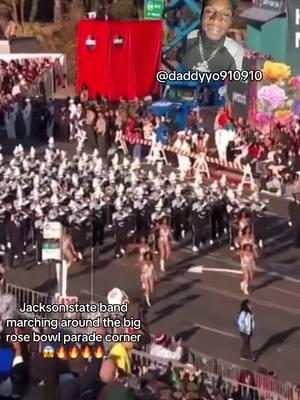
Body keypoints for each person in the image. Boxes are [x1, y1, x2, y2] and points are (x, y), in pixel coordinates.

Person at [180, 0, 244, 73]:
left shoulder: (234, 51)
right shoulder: (191, 38)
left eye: (225, 14)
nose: (216, 20)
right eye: (209, 11)